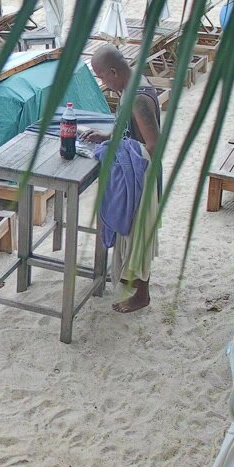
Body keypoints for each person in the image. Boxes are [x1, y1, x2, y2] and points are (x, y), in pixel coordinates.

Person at [85, 44, 161, 313]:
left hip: (142, 175)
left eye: (102, 77)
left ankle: (142, 295)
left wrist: (127, 161)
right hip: (135, 172)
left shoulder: (138, 99)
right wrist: (108, 137)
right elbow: (128, 127)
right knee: (129, 232)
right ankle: (131, 280)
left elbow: (153, 144)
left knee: (139, 234)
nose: (103, 84)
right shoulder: (129, 86)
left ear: (114, 72)